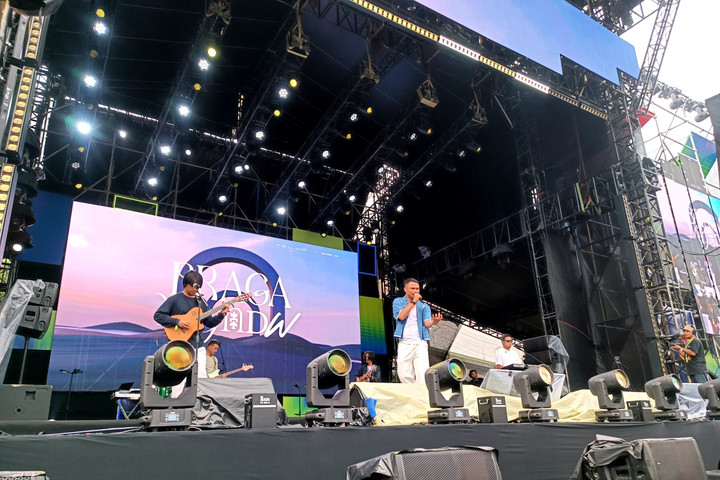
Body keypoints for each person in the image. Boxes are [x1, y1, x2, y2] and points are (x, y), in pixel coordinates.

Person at [393, 278, 443, 384]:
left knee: (422, 372)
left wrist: (434, 322)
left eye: (417, 288)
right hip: (405, 342)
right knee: (403, 373)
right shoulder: (398, 302)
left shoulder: (424, 306)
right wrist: (413, 302)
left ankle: (421, 391)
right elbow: (401, 316)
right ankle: (411, 391)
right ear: (405, 289)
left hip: (420, 342)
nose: (415, 291)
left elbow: (427, 323)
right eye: (412, 288)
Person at [153, 270, 229, 340]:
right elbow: (158, 315)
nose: (195, 289)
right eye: (193, 286)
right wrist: (176, 322)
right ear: (185, 284)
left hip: (197, 344)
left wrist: (221, 314)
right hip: (178, 342)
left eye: (197, 287)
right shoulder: (174, 299)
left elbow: (209, 323)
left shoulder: (201, 302)